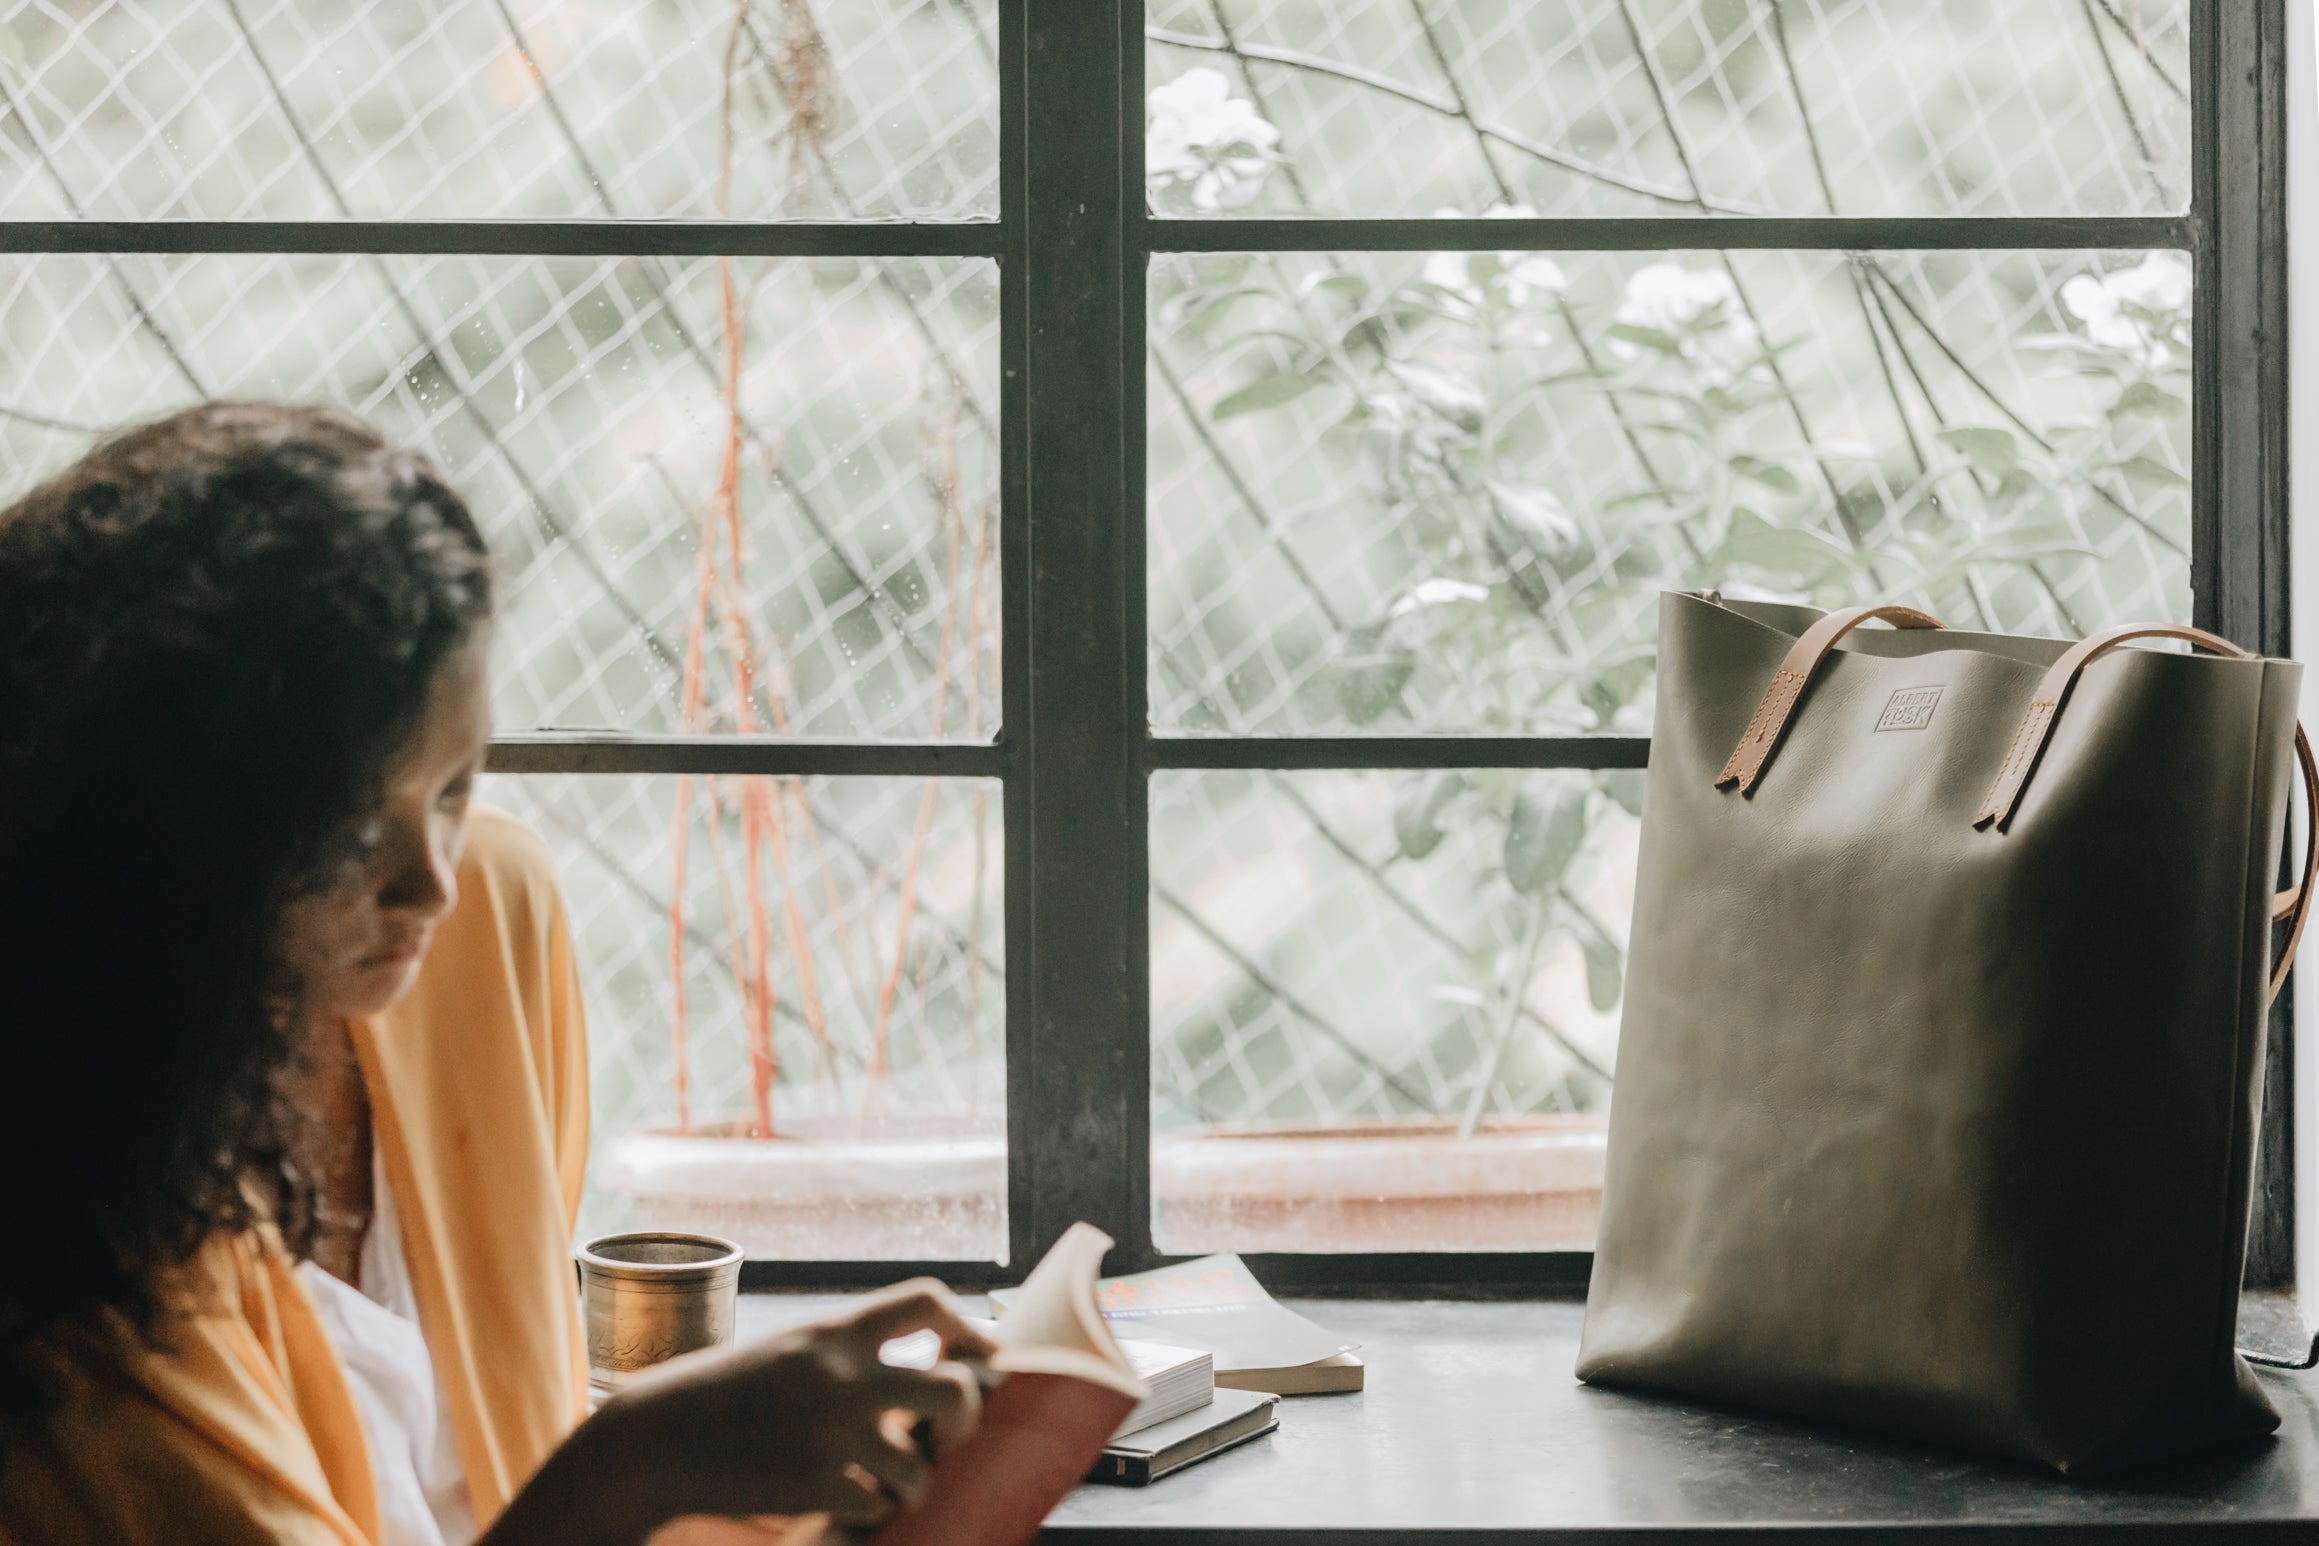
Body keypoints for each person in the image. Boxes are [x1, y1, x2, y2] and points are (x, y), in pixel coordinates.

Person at [0, 403, 990, 1545]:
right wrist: (645, 1458)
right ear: (165, 831)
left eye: (456, 788)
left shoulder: (486, 931)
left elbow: (507, 1464)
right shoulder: (67, 1244)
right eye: (351, 826)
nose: (433, 883)